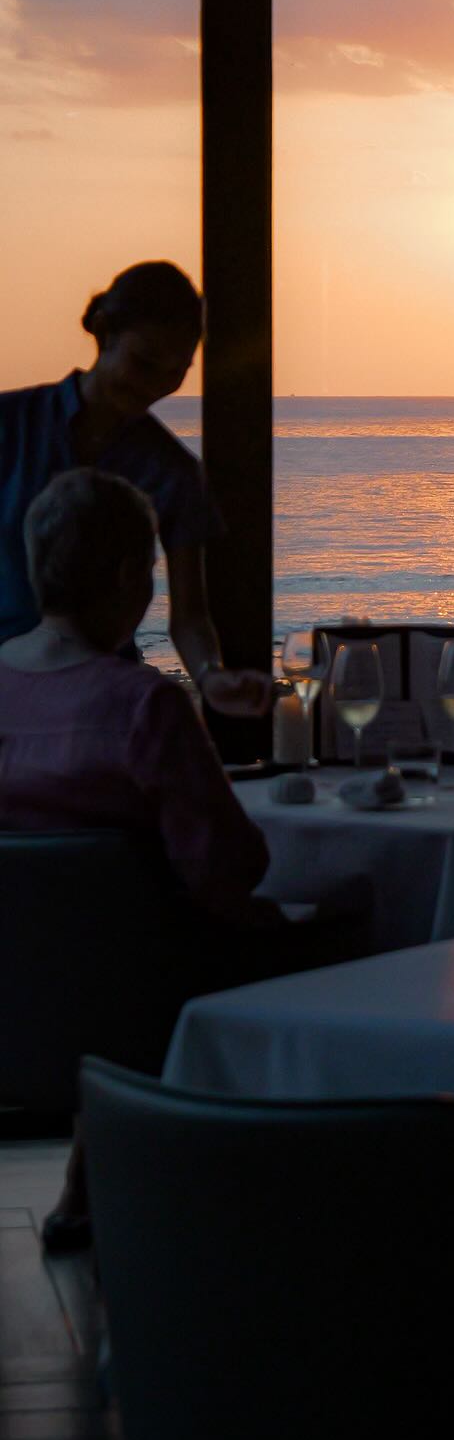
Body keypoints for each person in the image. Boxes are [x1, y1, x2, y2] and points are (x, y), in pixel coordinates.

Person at [0, 468, 368, 1247]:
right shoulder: (142, 705)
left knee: (99, 946)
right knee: (360, 923)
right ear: (134, 577)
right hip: (152, 989)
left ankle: (89, 1178)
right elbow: (230, 870)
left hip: (21, 991)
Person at [0, 260, 268, 717]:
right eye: (143, 363)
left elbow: (189, 614)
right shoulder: (9, 426)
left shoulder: (172, 470)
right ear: (104, 333)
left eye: (174, 372)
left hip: (99, 703)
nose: (154, 386)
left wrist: (209, 675)